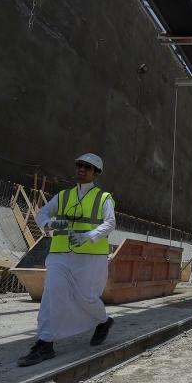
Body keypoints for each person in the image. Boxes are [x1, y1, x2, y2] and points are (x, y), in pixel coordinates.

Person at [17, 153, 116, 367]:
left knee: (87, 298)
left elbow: (109, 224)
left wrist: (88, 236)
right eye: (79, 165)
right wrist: (49, 225)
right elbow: (41, 214)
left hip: (90, 257)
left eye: (87, 167)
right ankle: (45, 343)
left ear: (96, 173)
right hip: (60, 255)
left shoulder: (103, 197)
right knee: (52, 295)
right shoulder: (63, 196)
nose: (81, 169)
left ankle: (104, 321)